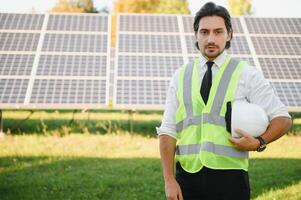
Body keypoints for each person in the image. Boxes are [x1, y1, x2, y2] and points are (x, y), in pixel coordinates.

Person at [157, 2, 292, 200]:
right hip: (187, 180)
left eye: (218, 32)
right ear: (196, 35)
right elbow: (168, 130)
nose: (211, 38)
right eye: (204, 32)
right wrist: (169, 180)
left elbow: (283, 118)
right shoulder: (180, 76)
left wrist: (259, 142)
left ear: (229, 35)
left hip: (231, 182)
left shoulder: (246, 74)